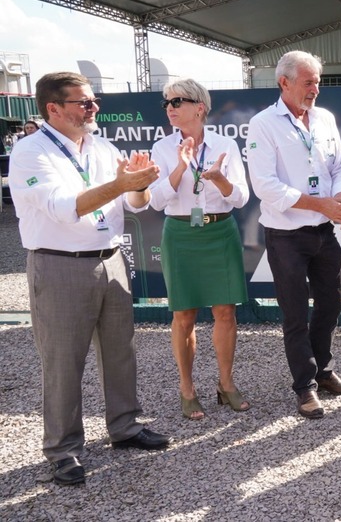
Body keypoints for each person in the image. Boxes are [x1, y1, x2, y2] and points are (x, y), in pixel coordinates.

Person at [9, 72, 170, 487]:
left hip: (111, 258)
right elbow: (64, 208)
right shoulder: (30, 151)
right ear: (54, 109)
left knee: (121, 352)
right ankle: (63, 450)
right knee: (63, 362)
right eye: (84, 103)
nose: (93, 108)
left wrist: (138, 186)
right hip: (60, 264)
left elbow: (133, 203)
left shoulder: (101, 145)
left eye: (93, 101)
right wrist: (120, 183)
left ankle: (125, 427)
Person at [246, 51, 341, 420]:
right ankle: (305, 387)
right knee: (296, 313)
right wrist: (323, 205)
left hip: (323, 232)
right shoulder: (263, 124)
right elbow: (266, 186)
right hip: (286, 236)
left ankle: (323, 370)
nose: (316, 89)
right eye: (308, 81)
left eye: (318, 81)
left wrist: (340, 200)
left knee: (331, 305)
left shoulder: (325, 119)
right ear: (284, 82)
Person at [148, 79, 251, 420]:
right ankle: (187, 388)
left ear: (200, 107)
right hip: (180, 234)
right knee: (184, 315)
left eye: (178, 101)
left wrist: (219, 178)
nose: (170, 108)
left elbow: (241, 197)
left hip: (220, 231)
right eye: (167, 102)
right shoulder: (162, 148)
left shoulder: (226, 145)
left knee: (225, 312)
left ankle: (226, 384)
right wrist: (180, 166)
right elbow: (155, 200)